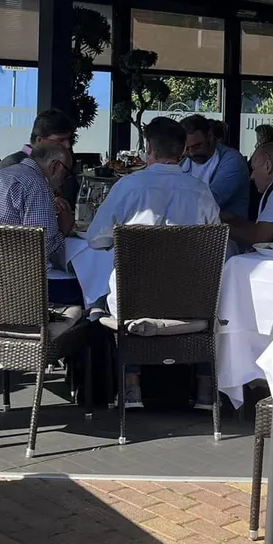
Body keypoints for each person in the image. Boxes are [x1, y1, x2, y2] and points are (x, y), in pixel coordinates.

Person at [85, 117, 222, 410]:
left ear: (149, 148)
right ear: (183, 150)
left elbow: (96, 240)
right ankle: (205, 391)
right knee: (218, 302)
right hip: (191, 303)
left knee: (95, 302)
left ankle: (131, 386)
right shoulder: (201, 192)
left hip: (133, 302)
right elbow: (213, 242)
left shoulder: (128, 187)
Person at [0, 142, 78, 306]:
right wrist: (64, 229)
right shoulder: (37, 185)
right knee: (87, 286)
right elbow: (43, 249)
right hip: (19, 286)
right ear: (55, 166)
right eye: (66, 174)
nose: (64, 181)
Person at [0, 108, 80, 206]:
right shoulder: (11, 165)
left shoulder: (64, 165)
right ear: (39, 140)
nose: (68, 145)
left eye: (69, 139)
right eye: (60, 140)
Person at [179, 114, 250, 220]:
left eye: (197, 147)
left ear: (210, 136)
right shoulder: (184, 162)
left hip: (228, 233)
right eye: (187, 149)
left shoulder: (232, 161)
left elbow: (210, 202)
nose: (192, 154)